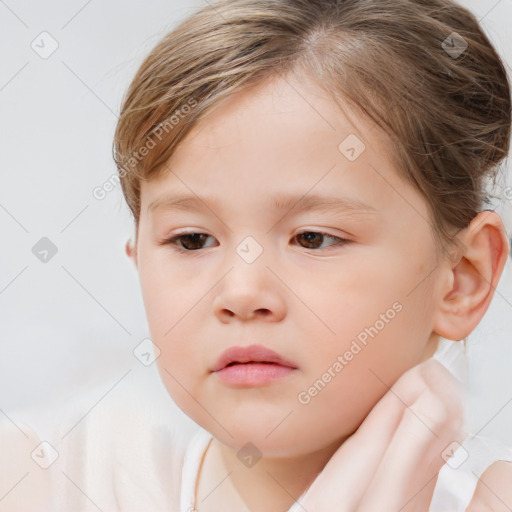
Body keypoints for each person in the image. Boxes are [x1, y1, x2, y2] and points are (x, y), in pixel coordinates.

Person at [2, 0, 512, 510]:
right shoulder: (43, 477)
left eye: (312, 238)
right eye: (192, 240)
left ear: (462, 279)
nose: (242, 294)